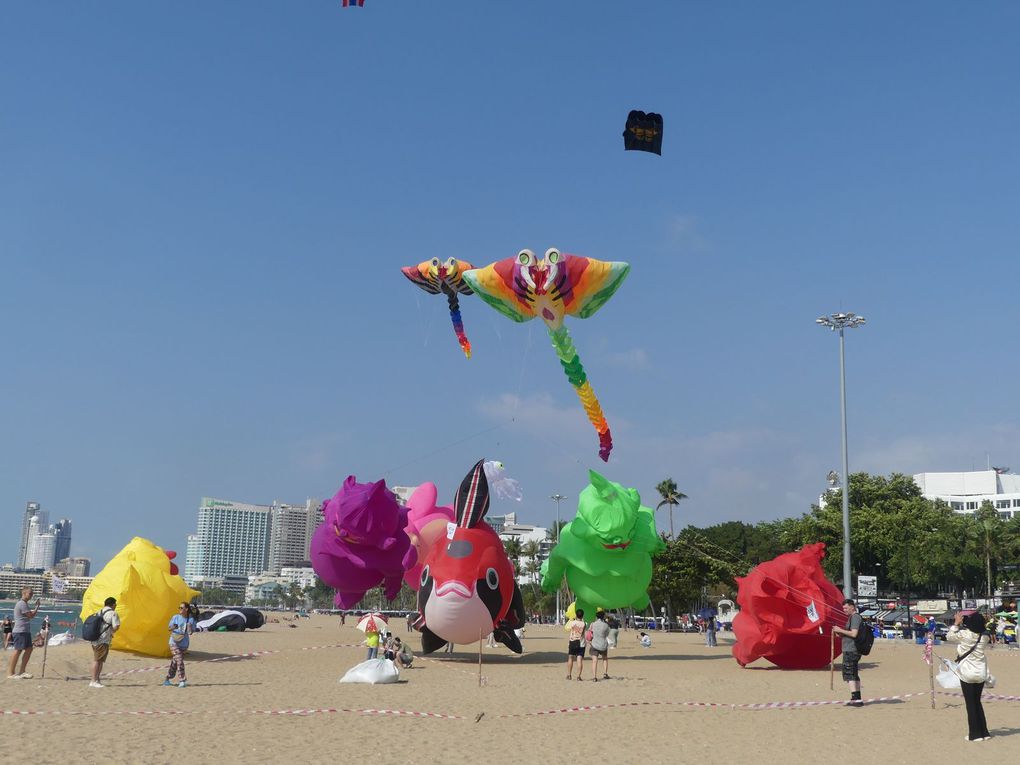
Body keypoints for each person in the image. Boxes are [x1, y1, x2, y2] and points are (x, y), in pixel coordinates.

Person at [948, 611, 992, 742]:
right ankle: (984, 732)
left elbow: (950, 636)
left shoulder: (965, 634)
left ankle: (975, 734)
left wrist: (956, 623)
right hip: (980, 673)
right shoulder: (985, 637)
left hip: (967, 673)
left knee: (970, 704)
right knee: (977, 702)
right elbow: (981, 629)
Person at [831, 598, 864, 707]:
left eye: (846, 608)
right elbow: (849, 633)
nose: (844, 610)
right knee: (853, 673)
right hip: (850, 649)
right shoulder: (852, 618)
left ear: (852, 607)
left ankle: (855, 698)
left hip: (851, 650)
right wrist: (839, 633)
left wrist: (840, 630)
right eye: (843, 608)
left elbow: (854, 634)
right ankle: (857, 698)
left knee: (849, 674)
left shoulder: (855, 617)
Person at [7, 587, 40, 679]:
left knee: (29, 649)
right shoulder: (22, 604)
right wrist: (37, 606)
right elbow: (31, 616)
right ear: (24, 593)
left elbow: (29, 615)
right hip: (20, 631)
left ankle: (22, 671)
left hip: (25, 630)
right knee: (18, 650)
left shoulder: (24, 604)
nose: (31, 595)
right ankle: (11, 673)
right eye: (30, 593)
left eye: (32, 594)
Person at [90, 597, 121, 688]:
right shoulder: (113, 613)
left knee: (97, 659)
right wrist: (112, 632)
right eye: (115, 604)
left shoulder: (100, 611)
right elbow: (116, 626)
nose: (116, 606)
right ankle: (94, 680)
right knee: (98, 660)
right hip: (103, 640)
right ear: (113, 604)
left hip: (95, 639)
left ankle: (96, 679)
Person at [163, 601, 196, 688]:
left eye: (181, 608)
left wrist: (189, 627)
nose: (180, 609)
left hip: (183, 644)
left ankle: (167, 679)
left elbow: (191, 632)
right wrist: (174, 627)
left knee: (175, 662)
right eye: (179, 608)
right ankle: (182, 680)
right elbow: (169, 628)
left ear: (186, 609)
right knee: (180, 660)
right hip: (173, 642)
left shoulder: (191, 619)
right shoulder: (176, 617)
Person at [589, 610, 611, 681]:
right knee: (605, 659)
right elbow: (607, 634)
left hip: (595, 643)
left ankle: (594, 677)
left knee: (594, 661)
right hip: (603, 644)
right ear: (603, 617)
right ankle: (605, 673)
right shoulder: (606, 625)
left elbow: (590, 632)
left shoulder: (593, 624)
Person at [564, 608, 586, 680]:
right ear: (582, 616)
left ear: (576, 615)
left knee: (570, 658)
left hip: (572, 641)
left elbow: (568, 628)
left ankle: (569, 675)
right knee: (579, 659)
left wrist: (572, 619)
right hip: (581, 643)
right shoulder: (584, 624)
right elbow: (583, 632)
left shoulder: (572, 623)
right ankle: (578, 676)